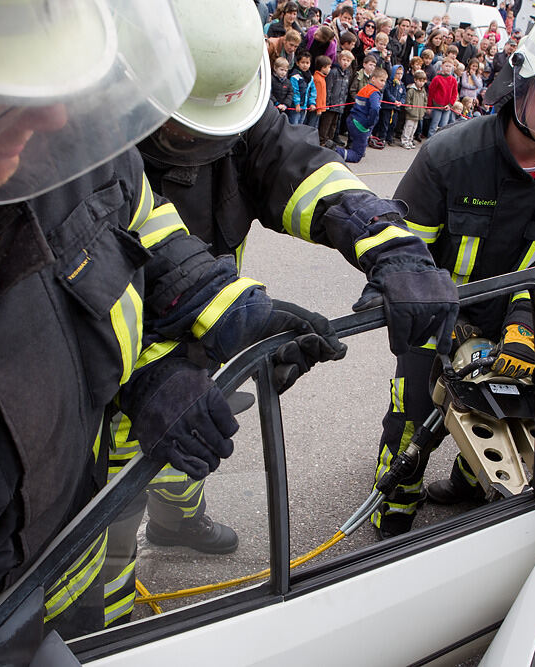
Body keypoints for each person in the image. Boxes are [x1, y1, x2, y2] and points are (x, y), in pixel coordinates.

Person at [0, 0, 341, 661]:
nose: (56, 118)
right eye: (6, 89)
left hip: (74, 570)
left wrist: (166, 361)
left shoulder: (37, 144)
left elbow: (129, 218)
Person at [138, 0, 458, 548]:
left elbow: (301, 170)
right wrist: (146, 372)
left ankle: (176, 521)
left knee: (193, 435)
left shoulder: (231, 110)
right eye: (182, 130)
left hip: (208, 313)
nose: (197, 146)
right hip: (119, 343)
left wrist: (391, 244)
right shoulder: (91, 146)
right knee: (109, 499)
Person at [373, 3, 535, 538]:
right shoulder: (448, 157)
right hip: (434, 318)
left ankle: (468, 487)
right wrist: (449, 326)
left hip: (510, 322)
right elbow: (403, 261)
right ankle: (393, 516)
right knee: (413, 417)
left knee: (505, 415)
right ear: (522, 81)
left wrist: (521, 332)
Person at [338, 66, 388, 162]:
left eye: (384, 81)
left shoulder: (365, 88)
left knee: (355, 147)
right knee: (357, 155)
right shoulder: (374, 92)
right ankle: (334, 152)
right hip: (361, 124)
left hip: (352, 119)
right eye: (381, 80)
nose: (383, 83)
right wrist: (370, 123)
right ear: (373, 79)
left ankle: (336, 151)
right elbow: (375, 108)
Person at [323, 50, 355, 147]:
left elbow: (345, 89)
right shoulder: (333, 72)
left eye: (348, 61)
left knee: (334, 124)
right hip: (331, 103)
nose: (345, 62)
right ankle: (322, 141)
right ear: (339, 59)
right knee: (326, 124)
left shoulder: (348, 73)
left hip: (340, 104)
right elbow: (329, 88)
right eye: (344, 60)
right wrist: (327, 103)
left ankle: (330, 141)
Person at [426, 58, 458, 136]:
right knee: (434, 124)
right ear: (442, 66)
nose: (448, 68)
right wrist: (429, 106)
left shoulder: (453, 80)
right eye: (446, 66)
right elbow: (431, 93)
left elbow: (454, 94)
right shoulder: (437, 78)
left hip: (447, 107)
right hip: (437, 106)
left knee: (443, 126)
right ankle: (430, 140)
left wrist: (450, 104)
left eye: (450, 66)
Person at [378, 64, 407, 146]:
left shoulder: (401, 84)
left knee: (393, 124)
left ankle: (389, 137)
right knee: (385, 122)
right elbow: (387, 93)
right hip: (387, 107)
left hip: (396, 108)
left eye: (401, 74)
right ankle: (382, 137)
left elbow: (404, 95)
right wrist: (394, 100)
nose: (399, 76)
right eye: (397, 73)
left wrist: (401, 102)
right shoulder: (389, 83)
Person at [402, 70, 429, 148]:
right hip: (411, 114)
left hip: (419, 114)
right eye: (419, 81)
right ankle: (405, 140)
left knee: (414, 128)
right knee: (408, 127)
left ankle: (410, 140)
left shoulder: (423, 91)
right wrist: (410, 110)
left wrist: (423, 110)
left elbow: (425, 101)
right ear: (415, 80)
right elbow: (407, 102)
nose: (421, 83)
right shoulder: (411, 90)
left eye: (423, 81)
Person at [288, 51, 317, 125]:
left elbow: (313, 91)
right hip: (295, 107)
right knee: (294, 125)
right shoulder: (295, 76)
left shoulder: (310, 77)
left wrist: (312, 103)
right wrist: (297, 104)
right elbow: (295, 91)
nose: (305, 65)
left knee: (300, 125)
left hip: (304, 107)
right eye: (302, 62)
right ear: (297, 63)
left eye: (307, 63)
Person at [312, 55, 333, 130]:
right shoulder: (318, 79)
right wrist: (319, 109)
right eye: (329, 67)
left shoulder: (322, 78)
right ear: (323, 67)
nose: (330, 69)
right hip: (316, 108)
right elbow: (318, 95)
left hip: (320, 107)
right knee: (313, 126)